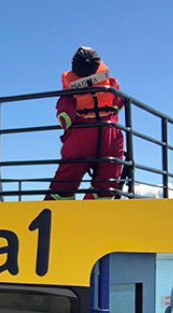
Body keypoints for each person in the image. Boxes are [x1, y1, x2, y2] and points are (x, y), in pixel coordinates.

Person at [45, 47, 125, 201]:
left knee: (66, 179)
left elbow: (65, 118)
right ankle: (94, 208)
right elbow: (120, 103)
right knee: (107, 179)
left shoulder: (70, 92)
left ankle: (57, 210)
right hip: (110, 136)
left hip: (81, 138)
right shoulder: (111, 85)